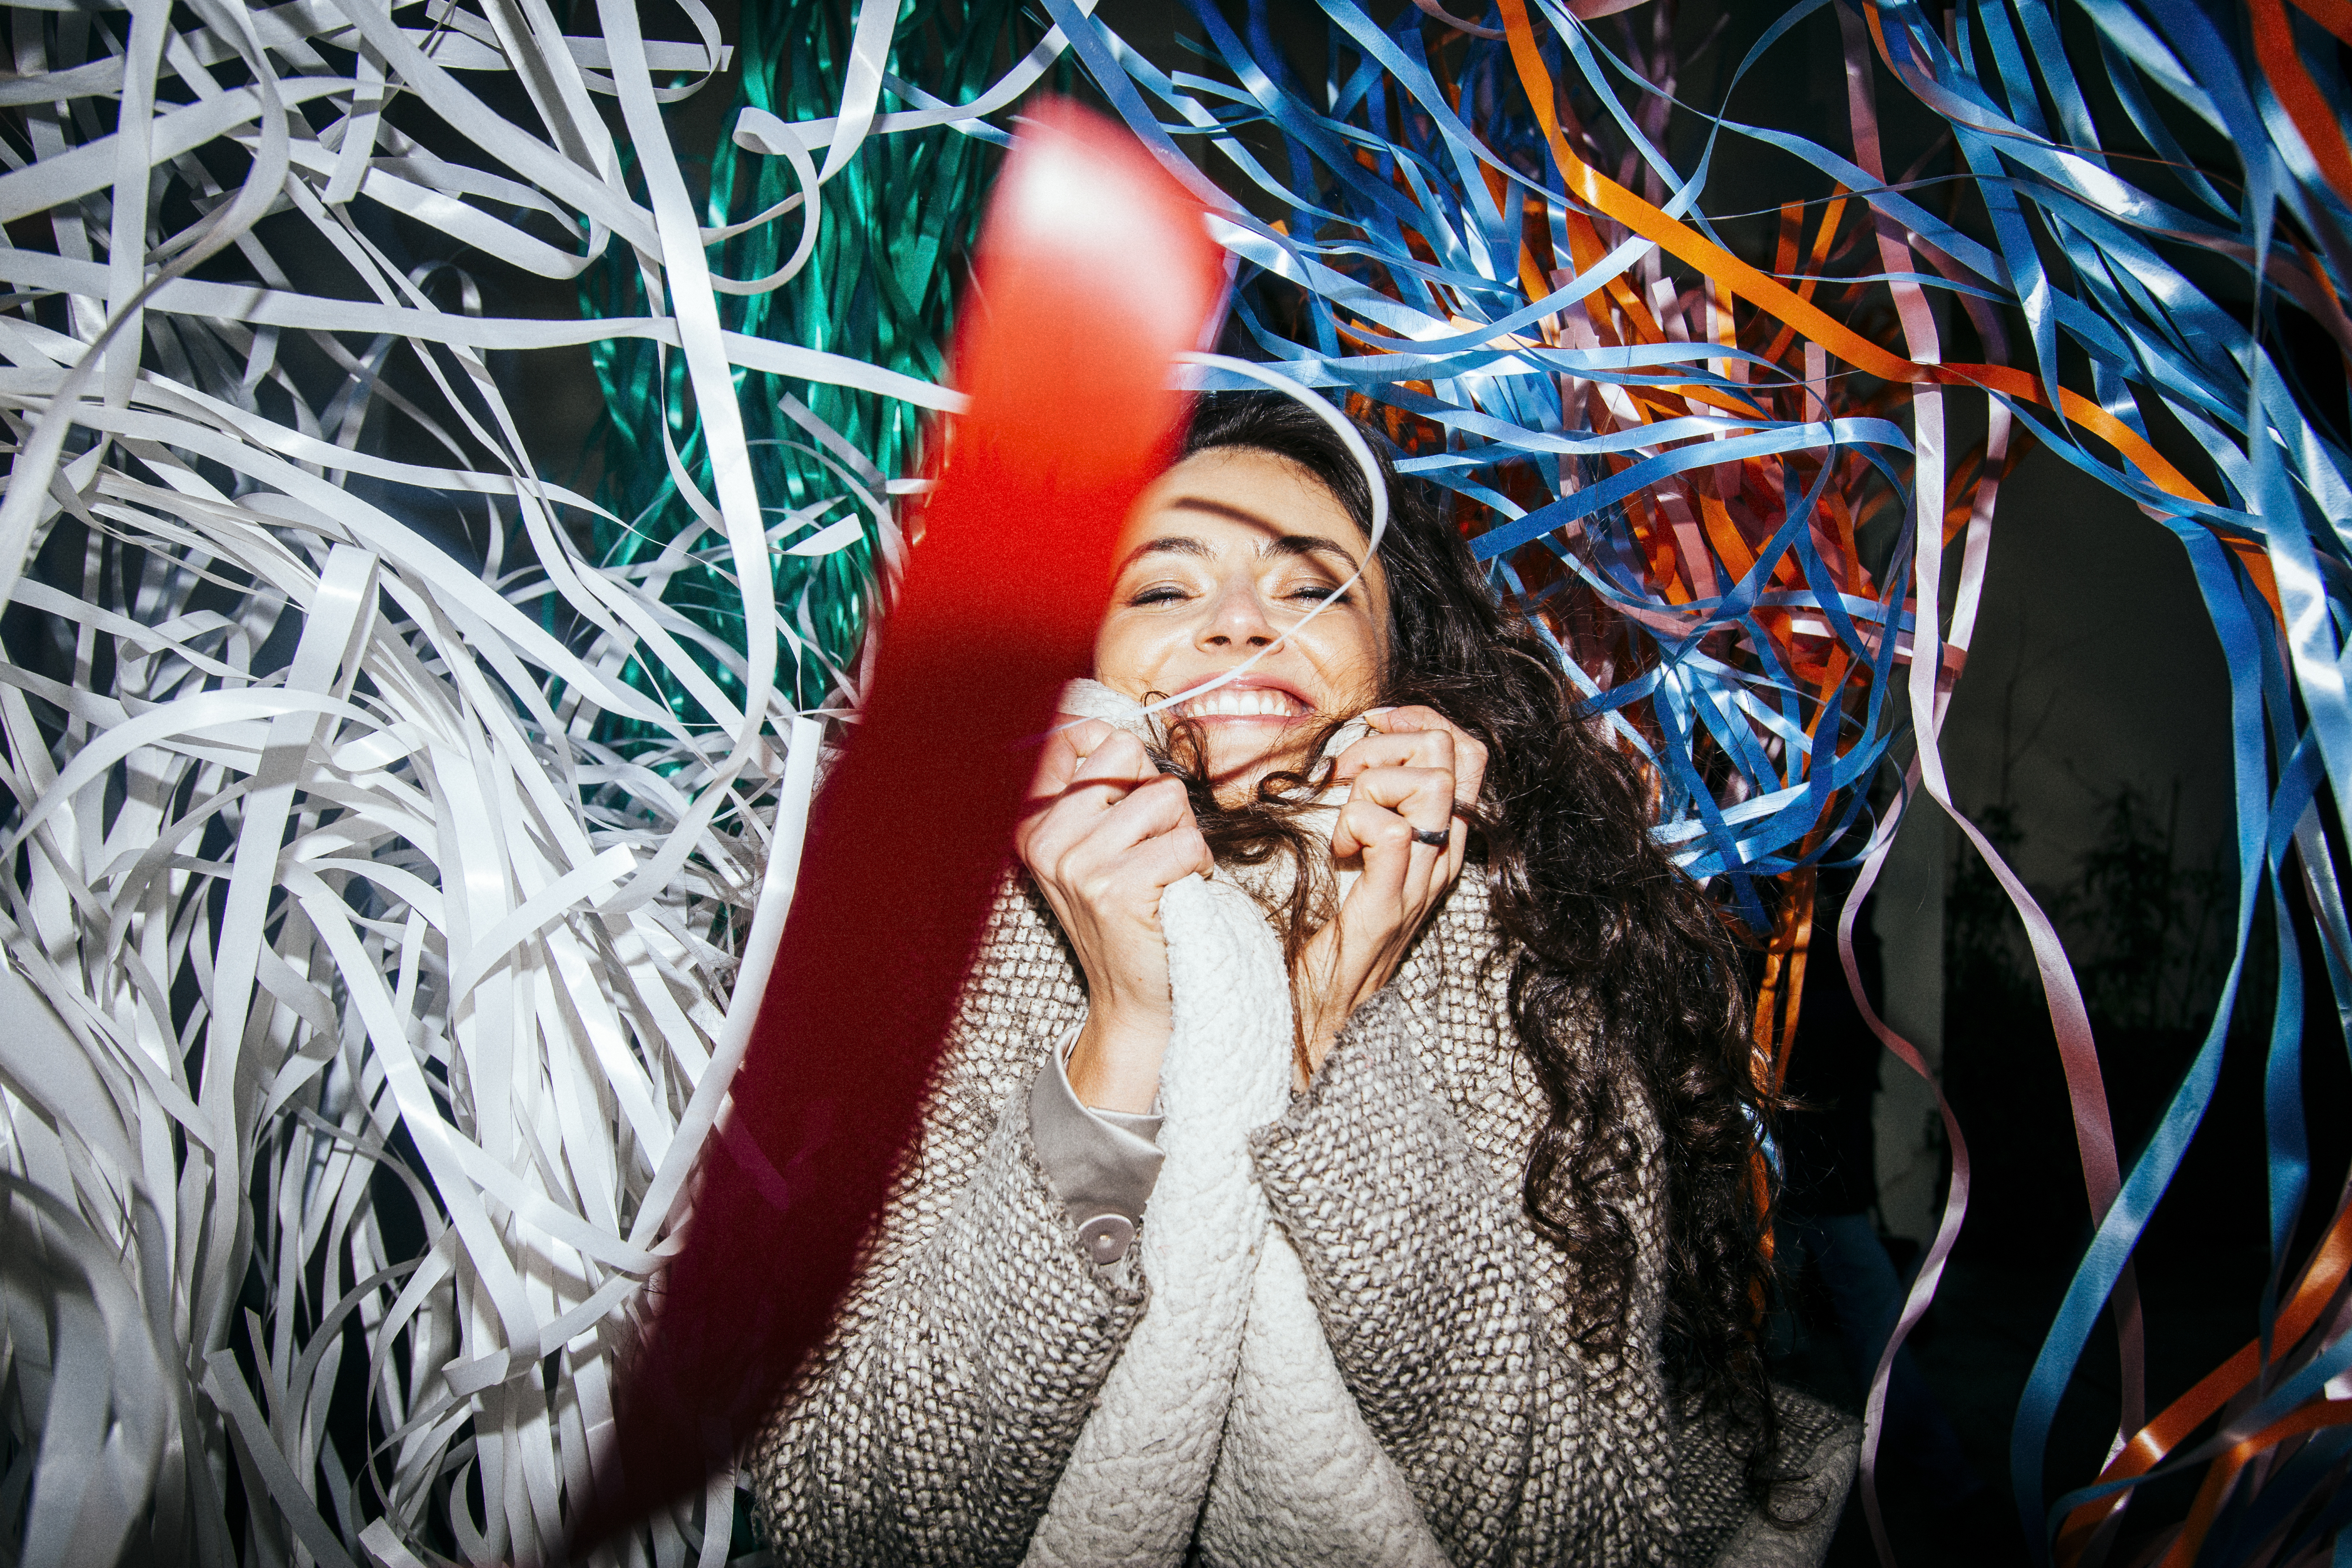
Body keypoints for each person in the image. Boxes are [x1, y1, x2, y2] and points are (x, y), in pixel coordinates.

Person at [745, 391, 1858, 1565]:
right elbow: (851, 1517)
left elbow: (1576, 1530)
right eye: (1163, 589)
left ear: (1397, 658)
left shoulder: (1527, 940)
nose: (1238, 625)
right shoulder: (950, 929)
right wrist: (1123, 1042)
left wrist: (1326, 1026)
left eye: (1309, 588)